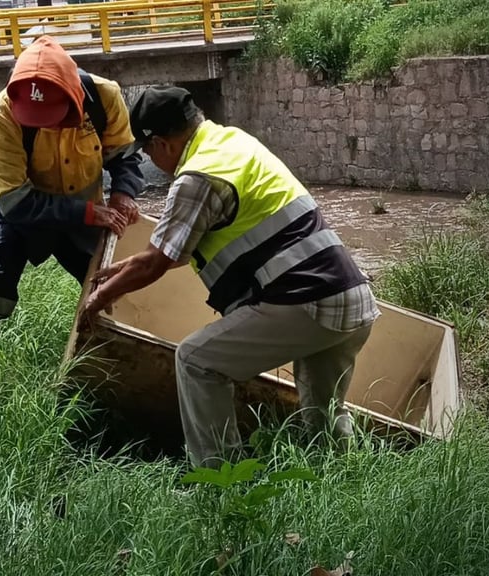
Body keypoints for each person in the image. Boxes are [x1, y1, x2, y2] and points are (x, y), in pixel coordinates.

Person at [81, 86, 380, 468]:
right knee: (324, 415)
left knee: (196, 362)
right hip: (348, 296)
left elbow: (157, 263)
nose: (152, 160)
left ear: (161, 144)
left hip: (306, 300)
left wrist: (96, 301)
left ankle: (222, 481)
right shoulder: (234, 143)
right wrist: (125, 267)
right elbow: (182, 245)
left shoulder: (196, 177)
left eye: (147, 151)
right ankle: (345, 481)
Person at [0, 35, 144, 345]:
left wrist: (124, 192)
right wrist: (87, 213)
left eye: (54, 119)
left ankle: (116, 351)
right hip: (14, 212)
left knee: (120, 281)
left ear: (74, 97)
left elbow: (123, 156)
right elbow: (16, 201)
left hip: (85, 206)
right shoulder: (0, 118)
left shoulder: (105, 97)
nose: (48, 127)